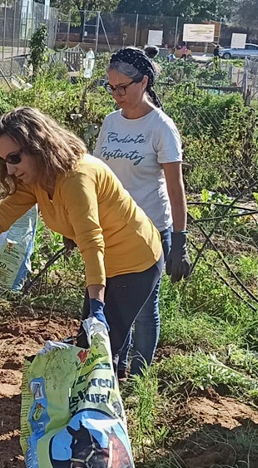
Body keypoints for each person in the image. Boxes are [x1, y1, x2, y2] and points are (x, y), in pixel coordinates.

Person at [0, 107, 163, 374]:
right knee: (90, 343)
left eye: (14, 158)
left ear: (37, 147)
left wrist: (97, 306)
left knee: (100, 349)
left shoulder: (77, 179)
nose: (10, 170)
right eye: (4, 161)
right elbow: (3, 214)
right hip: (104, 263)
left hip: (135, 259)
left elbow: (92, 242)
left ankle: (105, 404)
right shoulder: (37, 179)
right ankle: (100, 388)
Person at [96, 47, 189, 379]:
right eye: (111, 87)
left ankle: (139, 376)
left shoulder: (160, 128)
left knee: (144, 309)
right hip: (111, 230)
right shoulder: (110, 123)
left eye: (123, 87)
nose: (117, 95)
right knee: (108, 301)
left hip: (150, 230)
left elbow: (176, 190)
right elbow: (96, 175)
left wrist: (180, 241)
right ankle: (113, 368)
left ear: (144, 82)